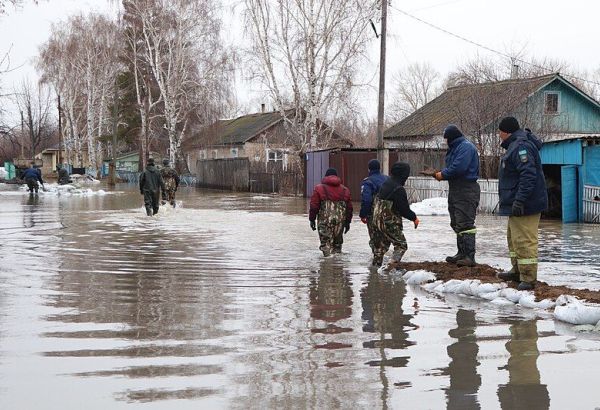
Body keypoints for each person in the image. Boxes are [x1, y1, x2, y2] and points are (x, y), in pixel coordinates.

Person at [496, 117, 548, 291]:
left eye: (500, 131)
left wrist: (520, 200)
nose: (499, 134)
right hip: (516, 203)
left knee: (524, 240)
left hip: (526, 204)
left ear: (507, 132)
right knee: (513, 239)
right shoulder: (515, 145)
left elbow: (528, 175)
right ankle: (517, 271)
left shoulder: (520, 147)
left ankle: (528, 277)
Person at [433, 124, 481, 267]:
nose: (445, 142)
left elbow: (459, 167)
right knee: (456, 222)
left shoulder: (465, 147)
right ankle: (461, 253)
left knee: (466, 223)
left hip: (466, 189)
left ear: (450, 138)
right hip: (456, 188)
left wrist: (442, 174)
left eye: (445, 139)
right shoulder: (455, 148)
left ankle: (469, 256)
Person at [371, 162, 419, 266]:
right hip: (389, 222)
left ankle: (374, 272)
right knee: (401, 245)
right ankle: (390, 267)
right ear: (404, 175)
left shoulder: (386, 183)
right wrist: (414, 218)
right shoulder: (398, 189)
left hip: (376, 221)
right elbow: (404, 210)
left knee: (379, 249)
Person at [309, 168, 353, 256]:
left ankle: (326, 266)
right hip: (340, 222)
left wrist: (312, 219)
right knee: (337, 247)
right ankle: (337, 267)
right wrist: (347, 222)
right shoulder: (345, 190)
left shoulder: (319, 188)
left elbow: (314, 206)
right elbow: (349, 209)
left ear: (325, 177)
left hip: (324, 222)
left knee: (325, 246)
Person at [359, 159, 389, 266]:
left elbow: (366, 200)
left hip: (374, 216)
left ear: (369, 169)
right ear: (379, 168)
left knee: (375, 239)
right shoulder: (388, 179)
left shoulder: (368, 182)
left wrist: (363, 215)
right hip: (389, 215)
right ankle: (385, 261)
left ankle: (376, 268)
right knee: (386, 238)